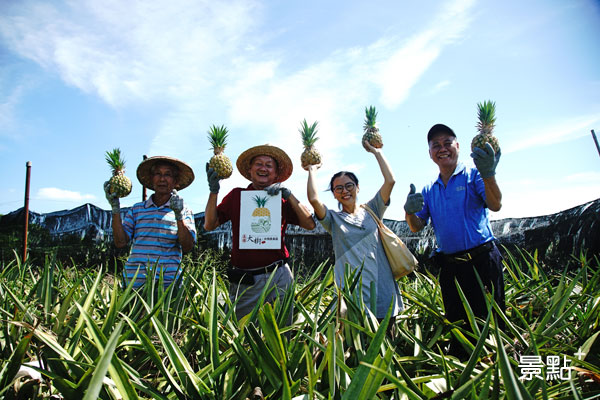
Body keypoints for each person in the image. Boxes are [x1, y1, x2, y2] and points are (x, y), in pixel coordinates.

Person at [404, 123, 505, 348]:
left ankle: (497, 375)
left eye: (447, 143)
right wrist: (408, 211)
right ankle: (464, 377)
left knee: (492, 327)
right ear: (430, 153)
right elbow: (415, 226)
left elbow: (495, 204)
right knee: (458, 327)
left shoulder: (474, 176)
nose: (442, 148)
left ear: (457, 146)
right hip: (452, 270)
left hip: (482, 262)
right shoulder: (430, 189)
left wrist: (489, 175)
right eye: (435, 145)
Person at [204, 144, 316, 320]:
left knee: (281, 333)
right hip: (246, 279)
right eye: (258, 164)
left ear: (276, 174)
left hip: (279, 274)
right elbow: (209, 225)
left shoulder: (282, 199)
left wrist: (289, 194)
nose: (263, 168)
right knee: (244, 333)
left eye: (269, 165)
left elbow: (309, 224)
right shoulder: (236, 196)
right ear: (250, 170)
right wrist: (213, 192)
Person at [306, 141, 404, 323]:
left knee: (387, 344)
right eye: (338, 188)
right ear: (334, 194)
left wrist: (377, 152)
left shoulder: (373, 209)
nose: (345, 191)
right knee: (355, 345)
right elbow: (313, 198)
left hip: (382, 288)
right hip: (352, 294)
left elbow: (390, 180)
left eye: (349, 185)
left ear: (357, 187)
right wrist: (312, 169)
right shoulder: (333, 220)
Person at [104, 156, 196, 290]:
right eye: (158, 174)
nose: (162, 179)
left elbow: (188, 246)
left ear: (175, 181)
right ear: (152, 179)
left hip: (168, 287)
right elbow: (120, 242)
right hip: (134, 284)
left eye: (168, 174)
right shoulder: (137, 209)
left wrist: (179, 215)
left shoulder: (184, 210)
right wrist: (115, 208)